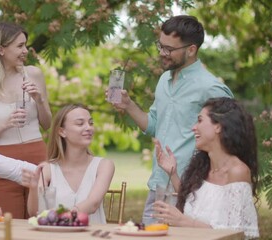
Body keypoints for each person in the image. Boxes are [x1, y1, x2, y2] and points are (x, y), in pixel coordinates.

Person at [108, 15, 234, 225]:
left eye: (169, 49)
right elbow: (154, 126)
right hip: (157, 185)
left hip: (191, 188)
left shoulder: (209, 87)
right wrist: (128, 105)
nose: (162, 53)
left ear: (191, 49)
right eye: (160, 46)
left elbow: (230, 136)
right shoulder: (164, 80)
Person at [0, 21, 52, 219]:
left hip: (38, 154)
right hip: (3, 161)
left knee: (42, 219)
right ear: (1, 50)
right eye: (20, 46)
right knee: (8, 221)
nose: (25, 51)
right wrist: (4, 125)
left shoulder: (34, 74)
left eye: (25, 45)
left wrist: (39, 100)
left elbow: (48, 124)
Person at [153, 97, 259, 239]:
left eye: (200, 120)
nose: (194, 127)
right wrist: (173, 174)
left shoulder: (237, 172)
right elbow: (194, 205)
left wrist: (182, 221)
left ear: (218, 126)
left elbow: (234, 234)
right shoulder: (203, 168)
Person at [21, 104, 115, 224]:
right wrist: (33, 189)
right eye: (80, 123)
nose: (89, 128)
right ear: (62, 131)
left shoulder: (104, 165)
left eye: (90, 123)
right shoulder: (48, 169)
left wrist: (59, 217)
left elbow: (93, 204)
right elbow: (35, 213)